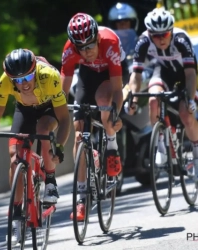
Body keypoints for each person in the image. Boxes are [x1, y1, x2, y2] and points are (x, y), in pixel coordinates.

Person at [0, 48, 70, 244]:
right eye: (18, 80)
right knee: (15, 156)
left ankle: (50, 180)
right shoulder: (5, 81)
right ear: (10, 78)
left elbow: (64, 119)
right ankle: (15, 215)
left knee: (43, 128)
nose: (24, 84)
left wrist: (60, 147)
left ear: (35, 70)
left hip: (50, 108)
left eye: (28, 77)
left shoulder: (50, 76)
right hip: (24, 109)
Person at [124, 8, 198, 181]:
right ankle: (161, 145)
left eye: (165, 35)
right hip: (162, 72)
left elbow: (191, 74)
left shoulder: (181, 40)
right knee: (154, 99)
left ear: (171, 31)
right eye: (156, 36)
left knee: (186, 114)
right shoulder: (143, 40)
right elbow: (136, 75)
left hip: (184, 75)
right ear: (150, 33)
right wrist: (133, 98)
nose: (161, 39)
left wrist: (190, 99)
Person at [61, 12, 126, 221]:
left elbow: (117, 90)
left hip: (109, 75)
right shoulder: (70, 51)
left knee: (104, 104)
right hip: (87, 77)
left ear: (97, 38)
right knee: (78, 130)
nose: (86, 52)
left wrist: (114, 114)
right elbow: (61, 92)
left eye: (90, 46)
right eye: (81, 48)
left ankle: (112, 149)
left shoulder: (110, 42)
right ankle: (81, 199)